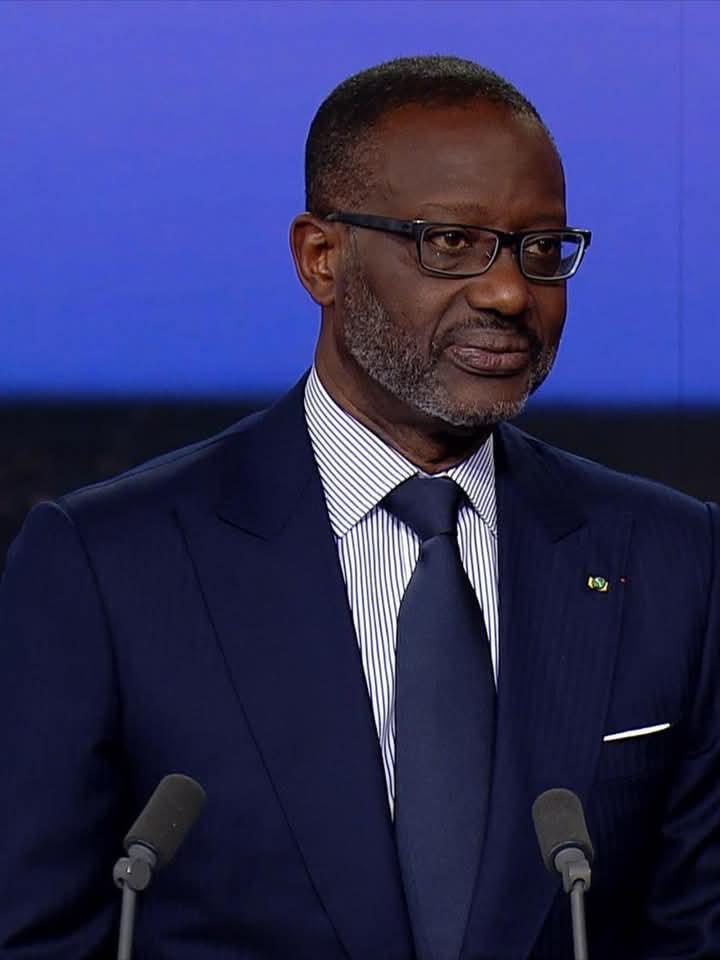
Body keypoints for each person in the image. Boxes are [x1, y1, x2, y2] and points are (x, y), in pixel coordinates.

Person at [1, 54, 719, 960]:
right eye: (450, 242)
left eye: (541, 249)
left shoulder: (672, 561)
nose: (509, 293)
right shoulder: (108, 566)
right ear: (322, 258)